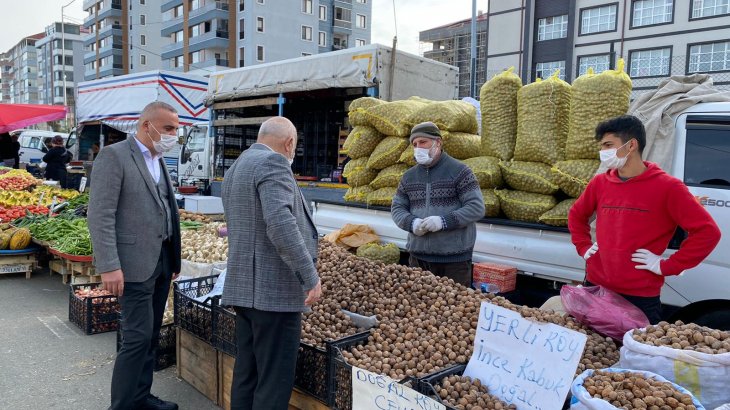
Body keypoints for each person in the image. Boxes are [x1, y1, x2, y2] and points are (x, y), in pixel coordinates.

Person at [568, 115, 721, 324]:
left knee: (632, 353)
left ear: (631, 145)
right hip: (596, 286)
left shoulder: (668, 187)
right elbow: (576, 215)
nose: (603, 152)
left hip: (639, 297)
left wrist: (667, 265)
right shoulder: (600, 183)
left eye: (608, 145)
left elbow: (708, 232)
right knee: (593, 352)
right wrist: (584, 246)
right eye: (602, 146)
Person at [221, 116, 322, 410]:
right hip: (273, 293)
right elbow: (281, 225)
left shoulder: (237, 166)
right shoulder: (273, 163)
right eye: (295, 145)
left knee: (247, 373)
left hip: (246, 290)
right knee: (273, 381)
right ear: (289, 143)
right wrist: (309, 276)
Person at [88, 101, 182, 410]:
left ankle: (142, 397)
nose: (173, 135)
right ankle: (124, 405)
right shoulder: (114, 157)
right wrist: (109, 265)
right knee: (136, 338)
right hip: (131, 264)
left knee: (151, 335)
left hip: (161, 261)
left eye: (176, 129)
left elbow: (164, 208)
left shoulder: (159, 159)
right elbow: (100, 214)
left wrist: (174, 259)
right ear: (146, 126)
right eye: (169, 128)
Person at [391, 121, 485, 287]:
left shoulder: (460, 171)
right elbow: (397, 208)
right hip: (418, 259)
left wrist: (443, 221)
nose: (418, 147)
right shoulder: (408, 177)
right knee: (418, 308)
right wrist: (412, 223)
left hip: (454, 261)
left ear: (438, 143)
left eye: (423, 142)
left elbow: (476, 207)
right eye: (414, 144)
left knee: (454, 309)